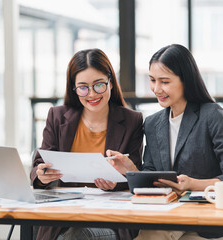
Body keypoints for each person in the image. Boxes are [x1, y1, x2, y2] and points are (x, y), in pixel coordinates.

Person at [106, 44, 223, 240]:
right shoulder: (153, 123)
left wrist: (193, 184)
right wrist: (131, 169)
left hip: (212, 221)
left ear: (186, 80)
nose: (156, 89)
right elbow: (154, 177)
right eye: (152, 80)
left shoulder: (212, 115)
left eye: (164, 81)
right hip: (170, 215)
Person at [30, 48, 143, 240]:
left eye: (99, 85)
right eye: (82, 87)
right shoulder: (57, 117)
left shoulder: (132, 120)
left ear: (110, 83)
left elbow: (135, 174)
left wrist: (115, 184)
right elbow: (38, 167)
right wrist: (42, 176)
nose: (91, 94)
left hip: (111, 219)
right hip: (65, 215)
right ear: (74, 89)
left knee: (77, 237)